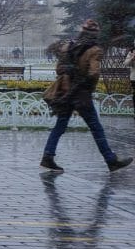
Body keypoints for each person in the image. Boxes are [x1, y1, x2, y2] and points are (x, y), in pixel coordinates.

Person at [40, 19, 132, 174]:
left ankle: (48, 156)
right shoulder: (94, 50)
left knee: (60, 126)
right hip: (81, 95)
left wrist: (70, 76)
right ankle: (111, 160)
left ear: (81, 31)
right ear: (95, 34)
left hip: (65, 93)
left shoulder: (68, 47)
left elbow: (59, 70)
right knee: (96, 128)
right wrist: (85, 84)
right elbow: (94, 72)